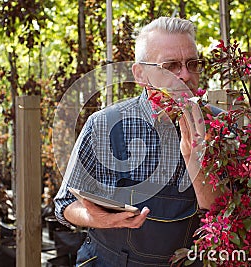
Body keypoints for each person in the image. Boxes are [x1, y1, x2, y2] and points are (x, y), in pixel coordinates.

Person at [54, 16, 223, 267]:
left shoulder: (220, 126)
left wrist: (194, 157)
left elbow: (220, 210)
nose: (185, 75)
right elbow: (66, 203)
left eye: (192, 64)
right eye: (171, 66)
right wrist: (96, 218)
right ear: (141, 74)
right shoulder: (104, 125)